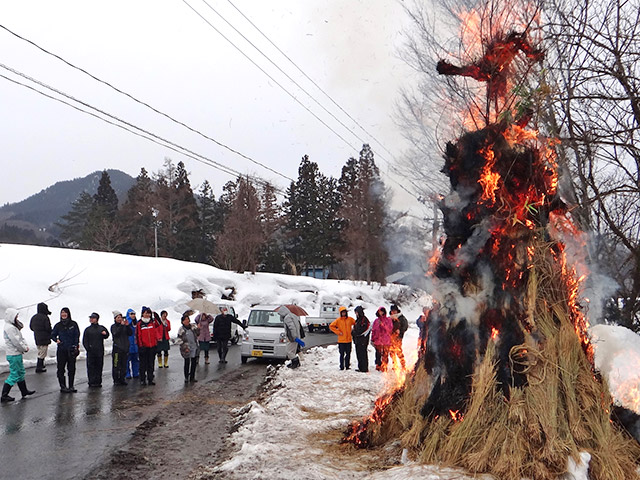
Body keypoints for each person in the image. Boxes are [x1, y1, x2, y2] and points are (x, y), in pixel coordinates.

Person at [2, 308, 35, 402]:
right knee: (15, 374)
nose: (17, 317)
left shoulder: (11, 326)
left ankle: (24, 391)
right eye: (16, 316)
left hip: (16, 353)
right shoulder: (10, 328)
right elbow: (16, 341)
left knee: (20, 372)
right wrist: (24, 348)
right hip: (14, 354)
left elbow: (20, 338)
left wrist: (24, 346)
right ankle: (4, 395)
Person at [51, 307, 81, 393]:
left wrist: (76, 345)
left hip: (71, 349)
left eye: (65, 313)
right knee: (61, 368)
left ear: (68, 314)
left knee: (71, 368)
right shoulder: (58, 325)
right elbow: (52, 334)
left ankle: (71, 386)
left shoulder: (73, 324)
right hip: (61, 349)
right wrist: (56, 340)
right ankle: (63, 386)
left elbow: (77, 335)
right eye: (62, 313)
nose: (63, 315)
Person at [82, 312, 110, 388]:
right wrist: (88, 348)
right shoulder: (87, 330)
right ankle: (91, 381)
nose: (91, 319)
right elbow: (84, 340)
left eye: (93, 318)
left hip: (99, 351)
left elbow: (107, 335)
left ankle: (98, 381)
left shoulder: (101, 328)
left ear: (97, 319)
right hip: (91, 352)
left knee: (99, 366)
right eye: (90, 318)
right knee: (91, 367)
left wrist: (105, 334)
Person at [136, 306, 159, 386]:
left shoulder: (152, 322)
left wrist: (155, 315)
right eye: (146, 313)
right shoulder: (139, 323)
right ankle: (142, 379)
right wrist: (141, 346)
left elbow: (159, 324)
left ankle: (150, 378)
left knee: (151, 364)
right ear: (143, 314)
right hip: (144, 347)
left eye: (149, 313)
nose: (148, 315)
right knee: (143, 364)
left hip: (152, 346)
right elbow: (138, 335)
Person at [329, 306, 356, 370]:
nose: (344, 314)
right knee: (342, 354)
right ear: (340, 313)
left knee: (348, 354)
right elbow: (331, 326)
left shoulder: (350, 319)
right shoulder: (338, 320)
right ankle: (341, 366)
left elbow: (356, 323)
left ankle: (347, 366)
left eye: (344, 312)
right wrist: (338, 332)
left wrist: (354, 331)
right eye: (342, 312)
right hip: (341, 341)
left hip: (349, 340)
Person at [111, 310, 133, 386]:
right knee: (116, 365)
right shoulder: (113, 326)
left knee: (123, 365)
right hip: (117, 349)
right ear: (115, 318)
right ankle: (116, 380)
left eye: (120, 317)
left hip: (124, 348)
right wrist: (121, 326)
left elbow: (130, 333)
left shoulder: (124, 326)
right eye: (118, 317)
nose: (119, 319)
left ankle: (122, 379)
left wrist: (127, 326)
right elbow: (116, 334)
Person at [177, 311, 200, 382]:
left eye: (188, 319)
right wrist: (185, 348)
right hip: (186, 348)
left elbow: (197, 334)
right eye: (185, 320)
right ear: (182, 321)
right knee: (187, 362)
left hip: (194, 346)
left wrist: (198, 328)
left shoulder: (193, 327)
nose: (187, 321)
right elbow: (179, 340)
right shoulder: (181, 329)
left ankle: (192, 377)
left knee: (194, 363)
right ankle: (186, 377)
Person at [29, 302, 52, 373]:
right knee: (43, 353)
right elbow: (48, 328)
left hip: (37, 337)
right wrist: (51, 333)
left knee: (40, 351)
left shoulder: (34, 317)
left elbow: (31, 327)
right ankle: (39, 367)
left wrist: (37, 331)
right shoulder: (45, 317)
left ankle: (41, 365)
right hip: (44, 338)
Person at [371, 307, 393, 372]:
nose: (381, 313)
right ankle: (378, 365)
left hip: (386, 340)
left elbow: (389, 329)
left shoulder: (388, 320)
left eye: (382, 311)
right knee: (378, 354)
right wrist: (373, 338)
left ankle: (384, 366)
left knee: (385, 354)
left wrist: (382, 325)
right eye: (379, 311)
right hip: (378, 340)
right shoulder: (376, 321)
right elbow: (374, 330)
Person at [389, 305, 408, 370]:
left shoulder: (401, 318)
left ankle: (403, 365)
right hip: (391, 337)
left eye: (394, 311)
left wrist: (400, 330)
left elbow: (405, 326)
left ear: (397, 311)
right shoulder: (390, 318)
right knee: (391, 352)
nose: (393, 312)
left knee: (398, 351)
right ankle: (395, 365)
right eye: (392, 311)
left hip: (398, 337)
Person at [352, 306, 371, 373]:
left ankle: (364, 368)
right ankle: (360, 367)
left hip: (363, 340)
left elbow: (364, 329)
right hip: (357, 340)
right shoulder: (357, 320)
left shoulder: (364, 319)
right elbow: (355, 328)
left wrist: (355, 333)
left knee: (363, 354)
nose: (356, 314)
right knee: (358, 354)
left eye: (356, 312)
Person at [125, 308, 139, 380]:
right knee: (127, 361)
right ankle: (127, 374)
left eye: (134, 314)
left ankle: (136, 373)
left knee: (135, 360)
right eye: (131, 314)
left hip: (135, 345)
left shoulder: (136, 323)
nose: (133, 315)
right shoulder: (126, 324)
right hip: (128, 345)